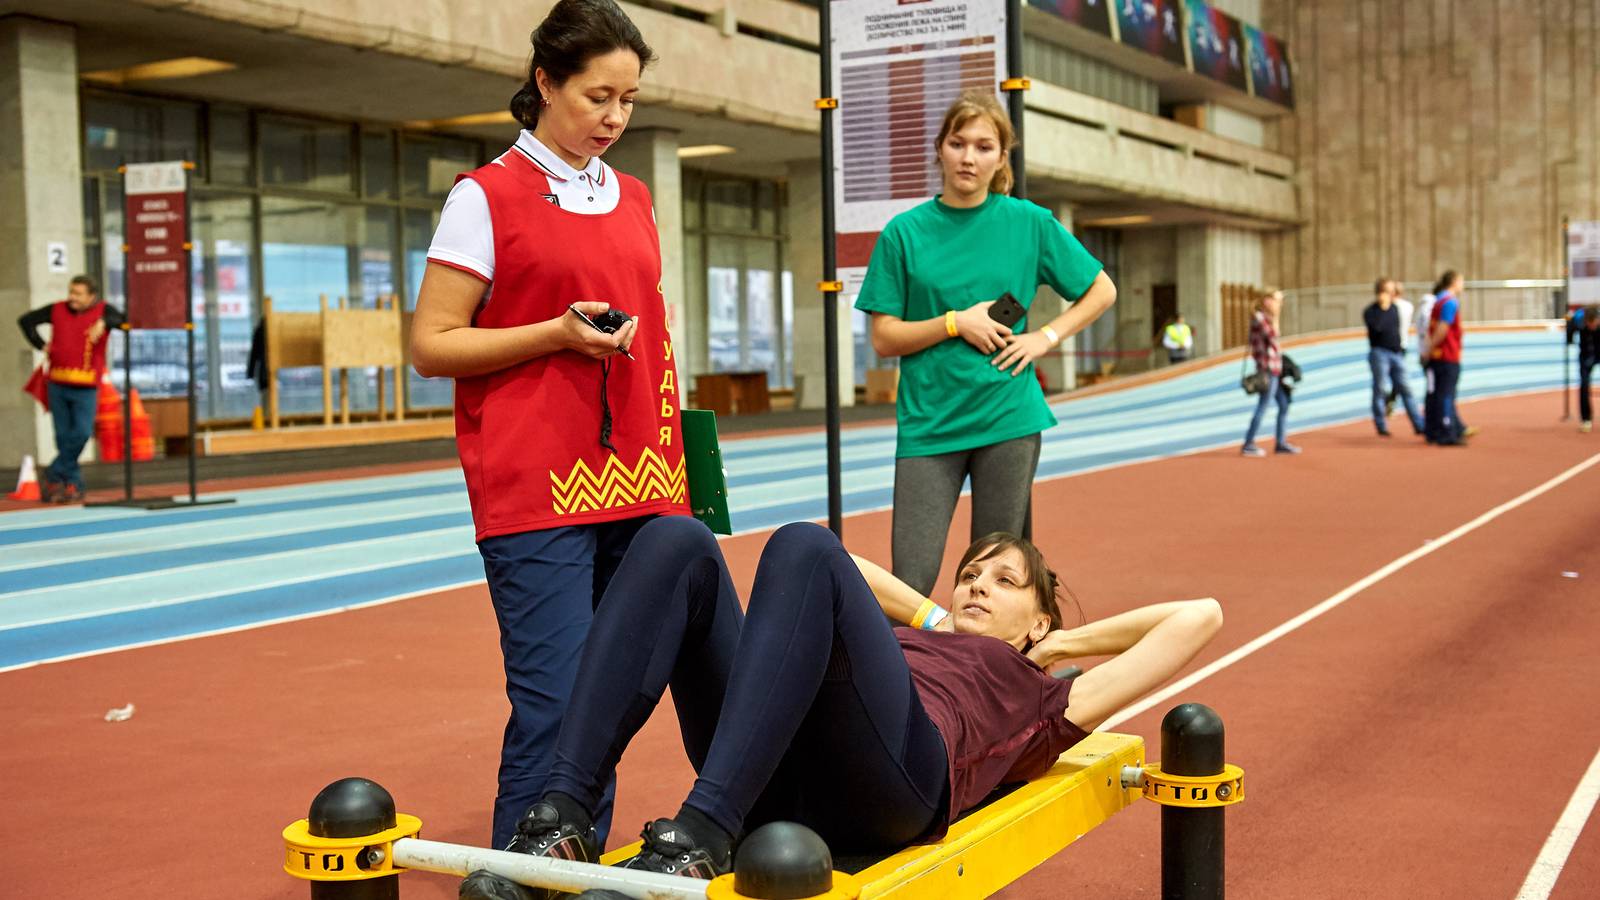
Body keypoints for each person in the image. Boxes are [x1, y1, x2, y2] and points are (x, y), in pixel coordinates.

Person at [460, 517, 1222, 900]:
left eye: (1005, 581)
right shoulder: (906, 637)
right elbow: (846, 567)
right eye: (971, 574)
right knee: (677, 539)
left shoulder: (1044, 694)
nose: (978, 585)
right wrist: (936, 617)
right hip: (775, 760)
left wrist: (1049, 646)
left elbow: (1199, 617)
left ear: (1039, 616)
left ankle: (704, 833)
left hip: (895, 783)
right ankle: (562, 817)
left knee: (804, 544)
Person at [408, 0, 685, 857]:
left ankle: (576, 859)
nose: (615, 117)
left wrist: (682, 461)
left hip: (641, 478)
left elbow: (655, 332)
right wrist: (555, 334)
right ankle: (520, 867)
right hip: (537, 485)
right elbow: (431, 344)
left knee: (614, 695)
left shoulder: (634, 196)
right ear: (546, 82)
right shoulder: (484, 197)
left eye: (629, 100)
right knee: (557, 699)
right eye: (598, 96)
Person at [855, 92, 1117, 597]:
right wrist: (956, 322)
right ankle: (902, 654)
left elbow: (1101, 289)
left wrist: (1044, 337)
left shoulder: (1030, 223)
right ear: (939, 149)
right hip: (930, 422)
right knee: (910, 578)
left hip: (1007, 418)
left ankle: (1005, 651)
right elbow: (885, 337)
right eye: (957, 143)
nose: (968, 157)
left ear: (1001, 157)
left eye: (983, 146)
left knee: (997, 576)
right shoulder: (903, 233)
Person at [16, 274, 124, 503]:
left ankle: (54, 471)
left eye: (78, 294)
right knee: (63, 438)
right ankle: (73, 484)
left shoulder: (104, 311)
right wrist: (41, 345)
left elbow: (123, 321)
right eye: (71, 292)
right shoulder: (57, 309)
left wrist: (104, 322)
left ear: (92, 296)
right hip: (57, 383)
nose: (72, 297)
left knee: (82, 433)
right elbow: (26, 321)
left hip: (86, 387)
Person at [1241, 288, 1299, 456]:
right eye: (1277, 300)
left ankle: (1280, 443)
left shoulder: (1265, 318)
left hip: (1274, 370)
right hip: (1267, 370)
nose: (1279, 305)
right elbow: (1273, 335)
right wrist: (1276, 316)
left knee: (1284, 404)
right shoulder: (1260, 319)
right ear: (1267, 301)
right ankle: (1248, 443)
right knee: (1263, 405)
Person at [1362, 278, 1423, 437]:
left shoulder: (1395, 308)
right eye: (1388, 291)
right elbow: (1378, 328)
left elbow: (1396, 330)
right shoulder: (1370, 312)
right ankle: (1381, 425)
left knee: (1406, 388)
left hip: (1396, 353)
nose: (1392, 294)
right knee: (1380, 388)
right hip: (1379, 353)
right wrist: (1383, 308)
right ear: (1380, 292)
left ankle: (1419, 424)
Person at [1423, 271, 1468, 446]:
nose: (1463, 285)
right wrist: (1430, 347)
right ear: (1454, 282)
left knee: (1436, 394)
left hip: (1439, 355)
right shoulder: (1449, 302)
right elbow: (1443, 328)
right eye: (1461, 281)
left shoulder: (1437, 301)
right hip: (1448, 354)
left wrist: (1429, 348)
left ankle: (1434, 430)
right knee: (1446, 395)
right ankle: (1447, 431)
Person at [1384, 280, 1416, 416]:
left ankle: (1388, 400)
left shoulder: (1390, 306)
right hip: (1403, 345)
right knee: (1397, 377)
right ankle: (1391, 400)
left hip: (1389, 345)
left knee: (1383, 376)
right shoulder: (1409, 306)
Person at [1570, 305, 1598, 432]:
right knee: (1584, 384)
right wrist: (1569, 338)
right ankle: (1586, 419)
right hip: (1586, 355)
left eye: (1594, 323)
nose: (1592, 326)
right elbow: (1570, 328)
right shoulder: (1578, 322)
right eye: (1589, 324)